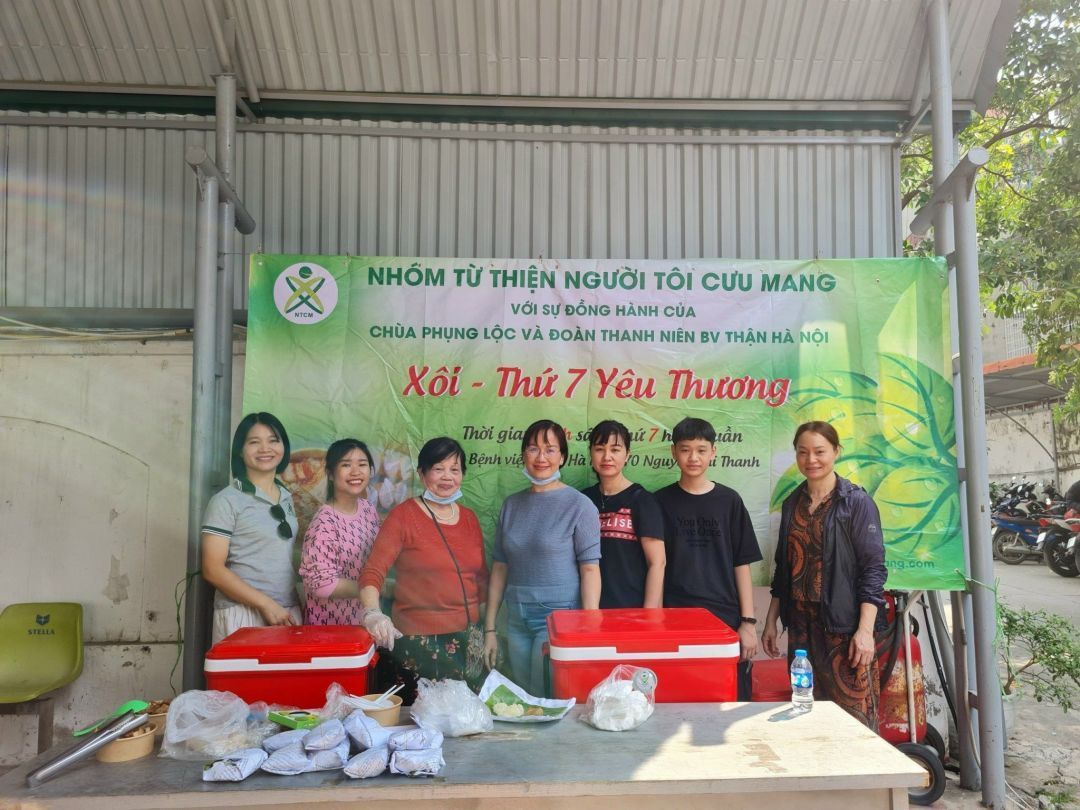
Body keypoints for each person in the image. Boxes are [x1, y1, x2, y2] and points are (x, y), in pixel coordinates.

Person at [761, 420, 887, 729]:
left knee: (853, 720)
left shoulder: (855, 503)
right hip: (801, 631)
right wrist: (771, 621)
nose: (811, 460)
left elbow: (873, 570)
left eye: (819, 451)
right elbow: (783, 567)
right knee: (808, 715)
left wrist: (864, 632)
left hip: (844, 630)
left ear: (836, 452)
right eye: (803, 452)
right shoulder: (792, 503)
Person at [358, 437, 489, 701]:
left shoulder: (469, 519)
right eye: (438, 469)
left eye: (454, 469)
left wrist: (490, 631)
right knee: (421, 719)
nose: (447, 477)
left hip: (469, 642)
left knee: (467, 718)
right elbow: (373, 572)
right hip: (419, 643)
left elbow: (481, 580)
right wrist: (373, 613)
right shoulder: (403, 516)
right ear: (422, 473)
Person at [483, 419, 601, 697]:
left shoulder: (579, 505)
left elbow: (590, 569)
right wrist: (489, 629)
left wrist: (590, 625)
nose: (541, 457)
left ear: (562, 457)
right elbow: (499, 567)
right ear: (524, 454)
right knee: (523, 695)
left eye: (550, 449)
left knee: (546, 692)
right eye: (533, 448)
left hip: (559, 616)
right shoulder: (511, 505)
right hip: (516, 616)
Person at [653, 416, 762, 701]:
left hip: (725, 618)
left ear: (713, 452)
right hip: (676, 618)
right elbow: (655, 565)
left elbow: (742, 563)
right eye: (685, 449)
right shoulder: (659, 502)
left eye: (701, 450)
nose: (693, 457)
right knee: (680, 698)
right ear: (673, 452)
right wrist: (655, 620)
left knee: (730, 700)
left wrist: (748, 623)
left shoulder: (730, 501)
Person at [201, 412, 301, 644]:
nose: (265, 448)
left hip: (286, 612)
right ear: (240, 450)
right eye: (254, 442)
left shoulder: (286, 497)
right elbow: (212, 569)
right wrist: (265, 604)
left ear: (284, 447)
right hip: (242, 613)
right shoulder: (226, 500)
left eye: (273, 440)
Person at [581, 420, 666, 608]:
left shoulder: (642, 500)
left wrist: (649, 615)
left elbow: (657, 563)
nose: (607, 457)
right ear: (591, 453)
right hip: (589, 609)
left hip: (631, 610)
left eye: (615, 449)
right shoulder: (583, 500)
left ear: (627, 455)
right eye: (599, 449)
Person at [299, 438, 381, 625]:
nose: (356, 471)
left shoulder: (368, 509)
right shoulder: (324, 523)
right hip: (332, 628)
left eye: (362, 464)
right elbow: (322, 584)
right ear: (330, 474)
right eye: (346, 465)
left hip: (364, 621)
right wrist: (372, 588)